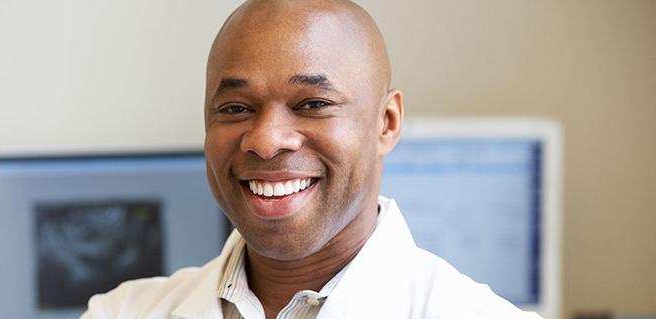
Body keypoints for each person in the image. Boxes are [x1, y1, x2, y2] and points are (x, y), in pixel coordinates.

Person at [82, 0, 543, 318]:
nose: (265, 141)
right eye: (236, 109)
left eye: (313, 104)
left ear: (386, 123)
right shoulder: (121, 311)